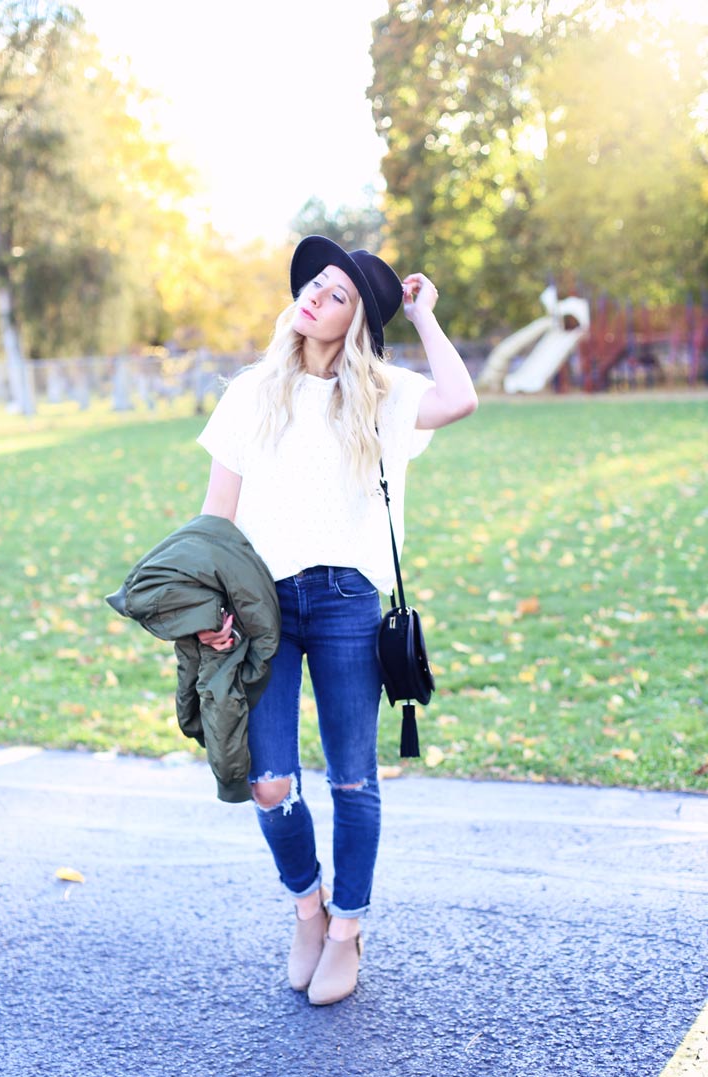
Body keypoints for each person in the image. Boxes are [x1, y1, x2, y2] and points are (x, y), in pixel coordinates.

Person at [196, 235, 478, 1005]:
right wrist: (209, 607)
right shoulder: (252, 391)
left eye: (338, 293)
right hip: (263, 606)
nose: (316, 294)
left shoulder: (381, 395)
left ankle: (348, 930)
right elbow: (216, 517)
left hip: (352, 604)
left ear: (354, 324)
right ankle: (308, 909)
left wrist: (421, 313)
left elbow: (461, 398)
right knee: (270, 780)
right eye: (315, 282)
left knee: (353, 780)